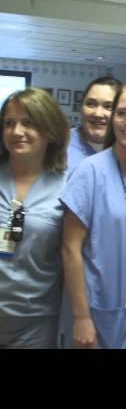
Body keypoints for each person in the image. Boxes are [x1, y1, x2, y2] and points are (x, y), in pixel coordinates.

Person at [60, 81, 126, 349]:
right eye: (122, 113)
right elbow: (70, 249)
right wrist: (81, 317)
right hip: (98, 308)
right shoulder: (90, 171)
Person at [0, 88, 69, 348]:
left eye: (28, 122)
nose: (17, 132)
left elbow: (73, 255)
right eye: (9, 123)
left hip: (36, 322)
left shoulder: (68, 186)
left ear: (49, 129)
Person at [67, 76, 121, 175]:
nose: (98, 114)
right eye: (91, 104)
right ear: (81, 108)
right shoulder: (59, 143)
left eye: (108, 106)